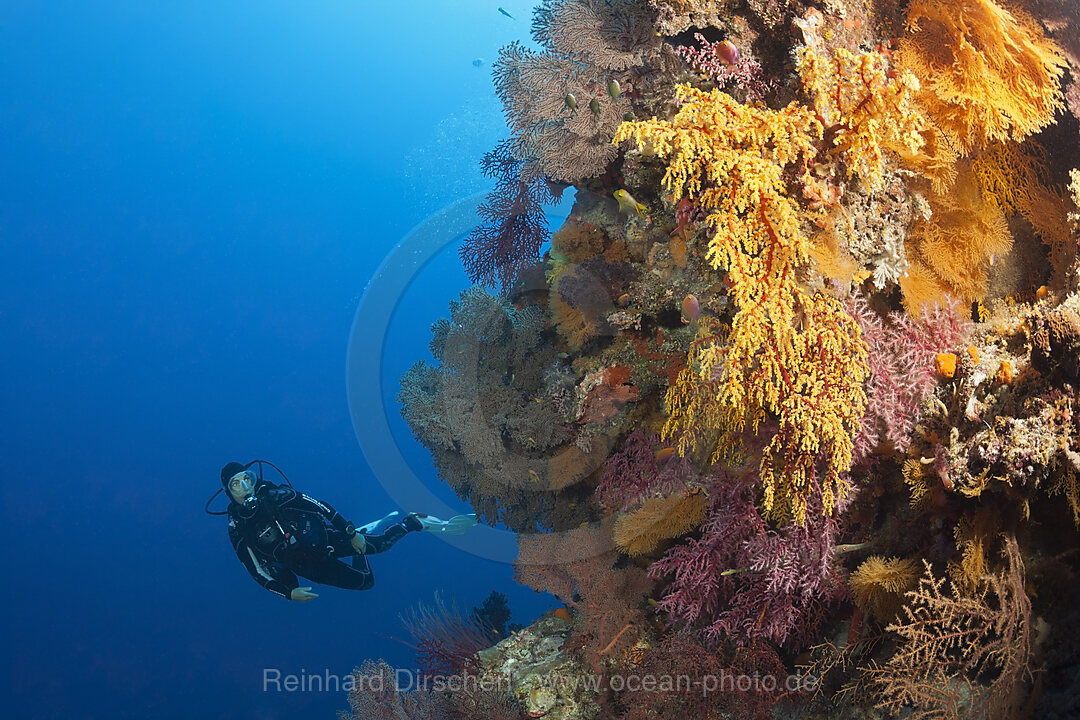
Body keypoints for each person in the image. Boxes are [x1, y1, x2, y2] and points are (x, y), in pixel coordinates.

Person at [219, 461, 477, 602]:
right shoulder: (238, 528)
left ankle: (413, 523)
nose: (245, 486)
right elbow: (255, 570)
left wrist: (350, 531)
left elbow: (319, 505)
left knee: (381, 545)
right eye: (236, 484)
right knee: (366, 582)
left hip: (324, 538)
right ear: (229, 492)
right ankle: (363, 537)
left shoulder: (276, 495)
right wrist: (287, 593)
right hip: (307, 567)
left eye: (247, 479)